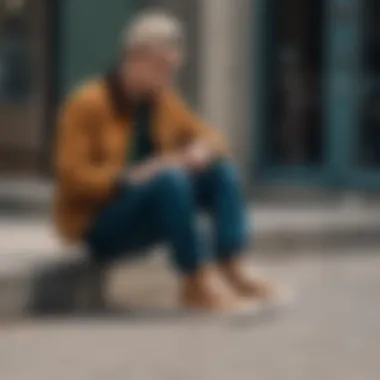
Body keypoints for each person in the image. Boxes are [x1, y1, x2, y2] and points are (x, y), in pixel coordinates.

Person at [54, 11, 279, 314]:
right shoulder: (87, 102)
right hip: (100, 222)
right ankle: (196, 279)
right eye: (162, 67)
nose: (168, 76)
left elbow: (212, 137)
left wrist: (202, 149)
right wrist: (128, 177)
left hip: (154, 204)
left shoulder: (163, 100)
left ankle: (231, 263)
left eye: (172, 68)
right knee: (171, 179)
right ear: (134, 58)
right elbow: (70, 176)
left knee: (222, 171)